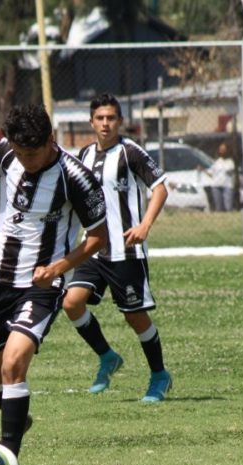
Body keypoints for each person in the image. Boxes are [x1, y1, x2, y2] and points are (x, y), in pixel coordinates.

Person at [0, 104, 108, 465]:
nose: (24, 160)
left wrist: (59, 267)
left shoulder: (76, 177)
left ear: (50, 140)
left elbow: (98, 237)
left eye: (32, 154)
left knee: (13, 363)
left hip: (41, 284)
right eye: (19, 153)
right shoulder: (6, 151)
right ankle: (16, 423)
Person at [64, 93, 173, 402]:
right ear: (91, 122)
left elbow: (161, 188)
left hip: (126, 249)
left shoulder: (130, 152)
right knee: (71, 303)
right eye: (100, 118)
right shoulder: (82, 156)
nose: (105, 123)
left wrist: (145, 225)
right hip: (93, 249)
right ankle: (107, 357)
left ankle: (160, 376)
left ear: (120, 121)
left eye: (111, 118)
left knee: (134, 317)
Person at [206, 142, 237, 212]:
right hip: (216, 186)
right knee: (218, 208)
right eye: (220, 149)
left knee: (228, 207)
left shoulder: (230, 162)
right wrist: (203, 170)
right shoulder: (217, 162)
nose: (221, 151)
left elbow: (230, 171)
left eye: (223, 149)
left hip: (227, 186)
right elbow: (211, 173)